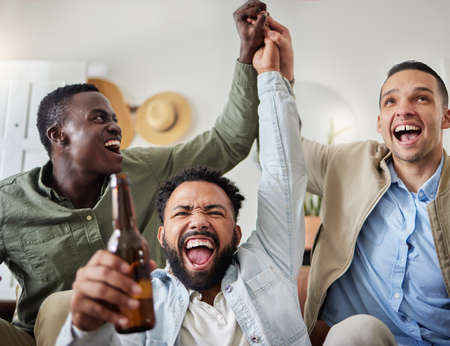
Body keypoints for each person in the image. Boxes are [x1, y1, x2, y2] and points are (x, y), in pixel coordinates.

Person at [0, 1, 268, 345]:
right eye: (100, 119)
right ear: (58, 136)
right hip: (44, 335)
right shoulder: (8, 202)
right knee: (59, 307)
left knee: (64, 305)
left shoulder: (148, 169)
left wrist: (247, 54)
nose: (115, 128)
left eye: (115, 120)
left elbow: (228, 142)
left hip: (142, 332)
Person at [55, 32, 310, 346]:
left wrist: (271, 76)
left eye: (214, 211)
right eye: (183, 212)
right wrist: (82, 327)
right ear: (162, 237)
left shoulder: (269, 262)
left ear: (237, 235)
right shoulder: (140, 301)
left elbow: (283, 175)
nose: (198, 220)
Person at [241, 10, 450, 345]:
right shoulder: (347, 162)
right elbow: (270, 149)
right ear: (381, 123)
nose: (404, 108)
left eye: (421, 98)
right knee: (361, 331)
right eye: (391, 101)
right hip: (353, 338)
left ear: (445, 117)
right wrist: (282, 79)